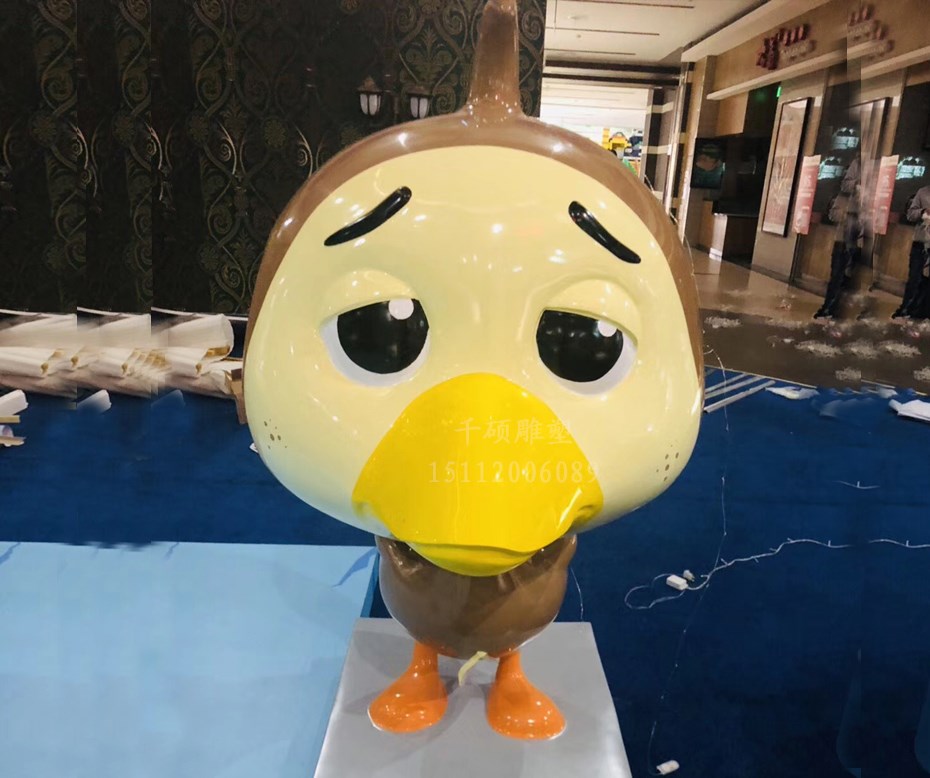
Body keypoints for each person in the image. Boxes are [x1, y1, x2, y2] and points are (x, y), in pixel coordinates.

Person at [815, 158, 861, 318]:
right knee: (836, 278)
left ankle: (844, 311)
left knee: (853, 281)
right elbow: (833, 215)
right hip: (842, 242)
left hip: (860, 245)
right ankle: (829, 309)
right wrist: (845, 215)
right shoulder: (843, 197)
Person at [893, 184, 930, 319]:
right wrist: (923, 212)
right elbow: (910, 214)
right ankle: (906, 310)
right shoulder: (923, 192)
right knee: (915, 279)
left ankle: (921, 314)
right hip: (920, 244)